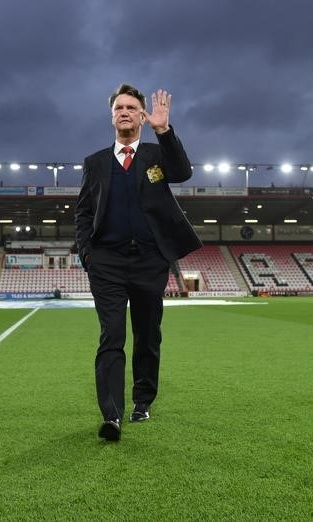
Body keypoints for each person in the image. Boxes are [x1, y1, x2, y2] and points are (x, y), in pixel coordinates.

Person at [75, 84, 202, 441]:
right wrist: (88, 254)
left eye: (132, 107)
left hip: (149, 260)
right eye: (119, 107)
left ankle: (142, 401)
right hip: (107, 263)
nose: (125, 112)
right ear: (112, 115)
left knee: (147, 334)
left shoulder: (155, 155)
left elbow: (183, 173)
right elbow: (83, 212)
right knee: (111, 335)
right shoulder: (95, 163)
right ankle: (111, 415)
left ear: (142, 115)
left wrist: (164, 130)